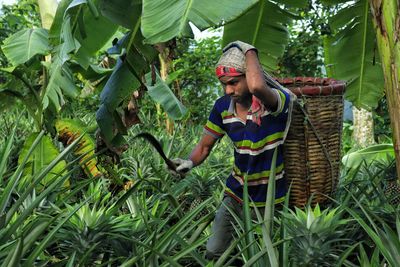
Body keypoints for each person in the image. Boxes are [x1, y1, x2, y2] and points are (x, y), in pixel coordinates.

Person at [170, 40, 295, 260]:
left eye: (234, 82)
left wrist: (248, 50)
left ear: (248, 76)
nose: (228, 90)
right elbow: (204, 146)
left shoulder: (275, 102)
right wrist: (188, 162)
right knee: (214, 251)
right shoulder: (222, 108)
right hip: (236, 192)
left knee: (267, 256)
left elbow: (257, 87)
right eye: (223, 84)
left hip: (272, 198)